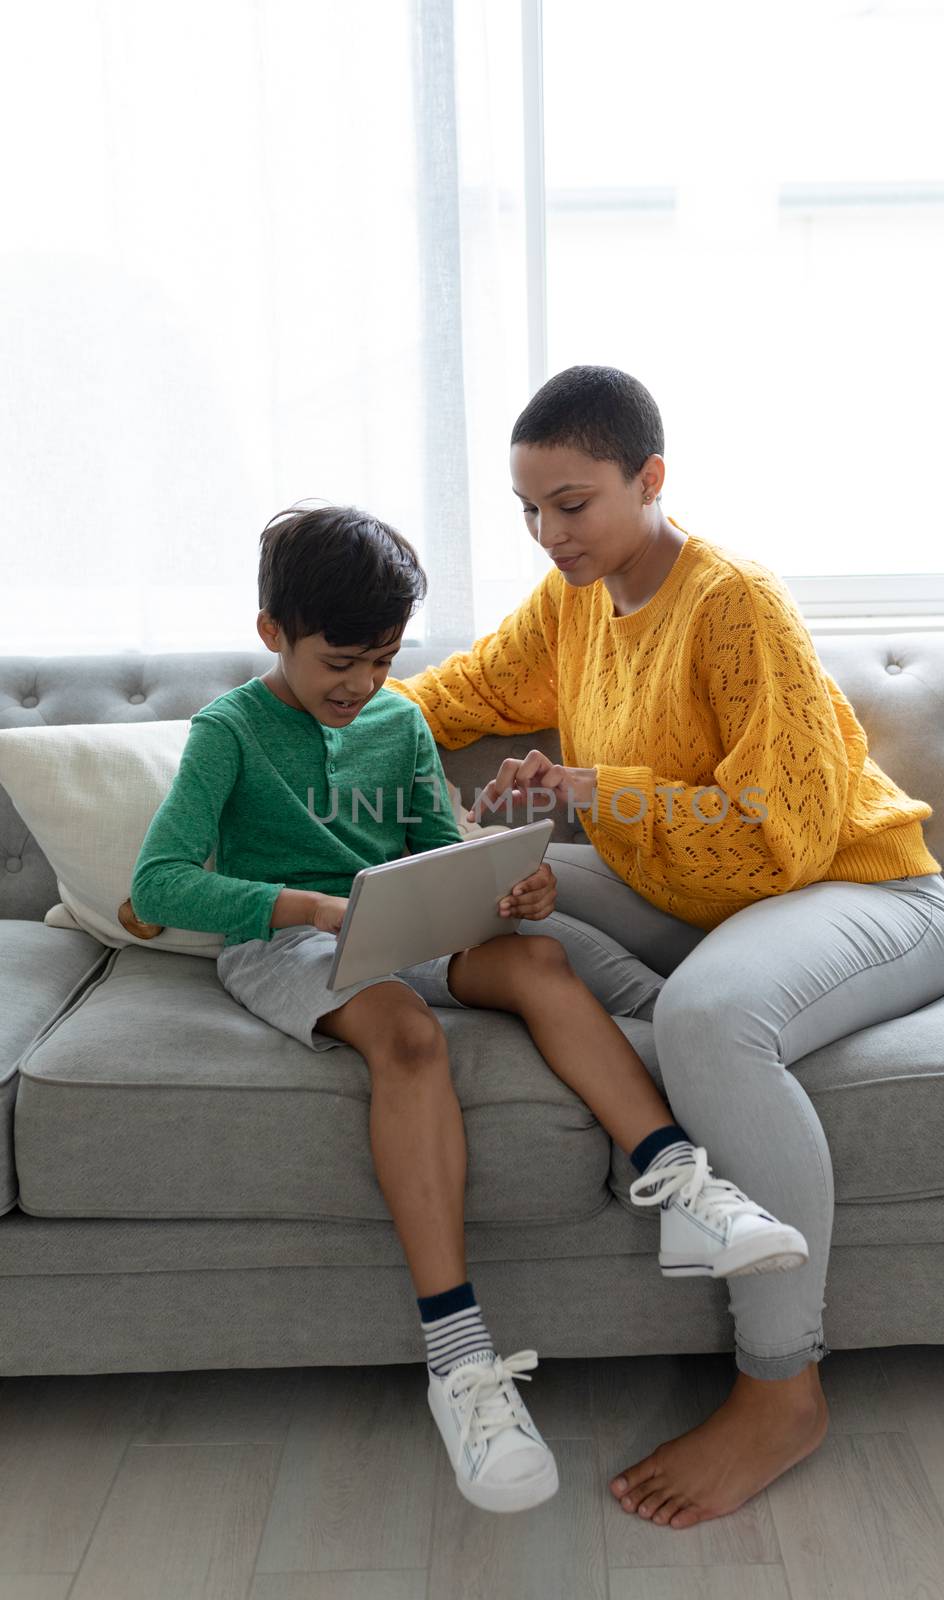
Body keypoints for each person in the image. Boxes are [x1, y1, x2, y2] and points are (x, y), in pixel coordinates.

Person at [129, 500, 811, 1519]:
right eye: (339, 663)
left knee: (537, 960)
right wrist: (311, 903)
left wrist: (506, 890)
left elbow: (431, 850)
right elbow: (161, 882)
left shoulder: (397, 718)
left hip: (401, 921)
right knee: (403, 1034)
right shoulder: (229, 729)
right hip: (284, 938)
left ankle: (679, 1189)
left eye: (383, 660)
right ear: (274, 635)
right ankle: (458, 1361)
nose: (361, 687)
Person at [385, 365, 944, 1530]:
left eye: (573, 502)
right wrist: (284, 719)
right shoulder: (572, 601)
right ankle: (685, 1029)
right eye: (528, 509)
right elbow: (452, 696)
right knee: (472, 897)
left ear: (648, 479)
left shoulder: (732, 604)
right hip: (692, 902)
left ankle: (781, 1387)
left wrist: (596, 788)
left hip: (861, 889)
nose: (549, 534)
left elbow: (785, 835)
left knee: (708, 1018)